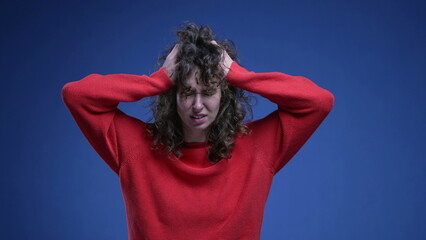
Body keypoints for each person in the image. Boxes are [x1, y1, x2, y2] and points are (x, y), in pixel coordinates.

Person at [61, 22, 335, 240]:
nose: (197, 105)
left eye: (208, 92)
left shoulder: (256, 148)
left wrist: (238, 75)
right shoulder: (136, 147)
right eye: (187, 92)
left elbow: (318, 101)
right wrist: (158, 80)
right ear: (173, 96)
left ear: (224, 94)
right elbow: (77, 95)